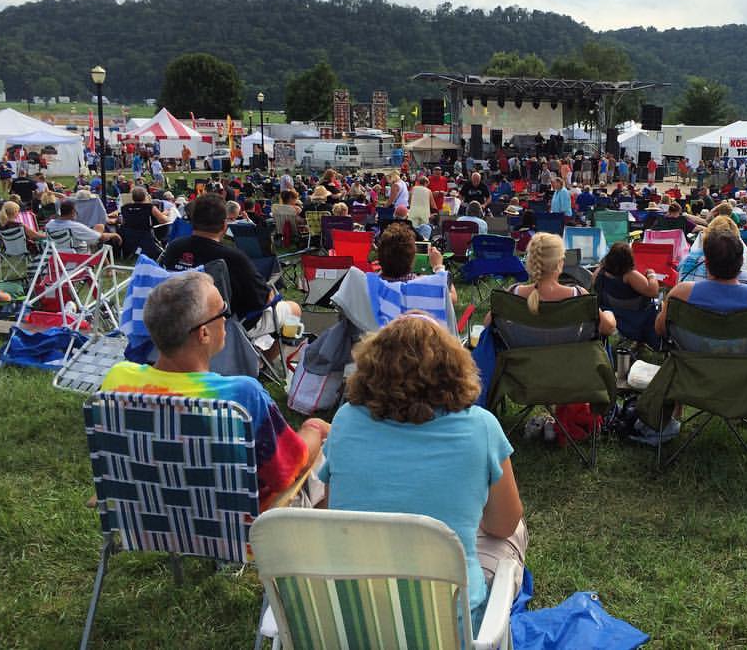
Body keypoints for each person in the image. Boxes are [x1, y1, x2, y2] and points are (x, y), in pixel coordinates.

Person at [320, 315, 527, 629]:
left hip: (354, 619)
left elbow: (333, 511)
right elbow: (503, 525)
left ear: (371, 366)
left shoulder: (345, 420)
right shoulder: (482, 427)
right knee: (514, 529)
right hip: (450, 627)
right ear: (454, 367)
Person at [101, 272, 328, 510]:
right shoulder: (240, 396)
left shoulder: (119, 379)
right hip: (237, 524)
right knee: (328, 445)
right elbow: (287, 471)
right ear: (204, 333)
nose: (227, 318)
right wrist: (314, 428)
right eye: (223, 311)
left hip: (150, 515)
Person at [160, 193, 300, 352]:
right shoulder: (233, 258)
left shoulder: (174, 248)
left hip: (182, 320)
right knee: (294, 309)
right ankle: (264, 361)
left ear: (193, 222)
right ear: (224, 225)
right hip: (226, 325)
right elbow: (261, 300)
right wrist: (271, 295)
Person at [656, 227, 747, 338]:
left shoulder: (681, 293)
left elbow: (660, 329)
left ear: (706, 263)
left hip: (692, 359)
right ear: (742, 262)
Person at [485, 232, 616, 336]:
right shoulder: (578, 295)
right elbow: (608, 329)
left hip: (520, 361)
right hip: (569, 360)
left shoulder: (513, 294)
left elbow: (487, 325)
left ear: (530, 262)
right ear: (560, 263)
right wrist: (609, 314)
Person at [45, 200, 121, 250]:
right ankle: (109, 268)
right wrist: (115, 235)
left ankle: (108, 267)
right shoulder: (75, 226)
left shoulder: (49, 225)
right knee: (98, 232)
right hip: (76, 258)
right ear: (73, 212)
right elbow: (100, 237)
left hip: (56, 257)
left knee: (98, 228)